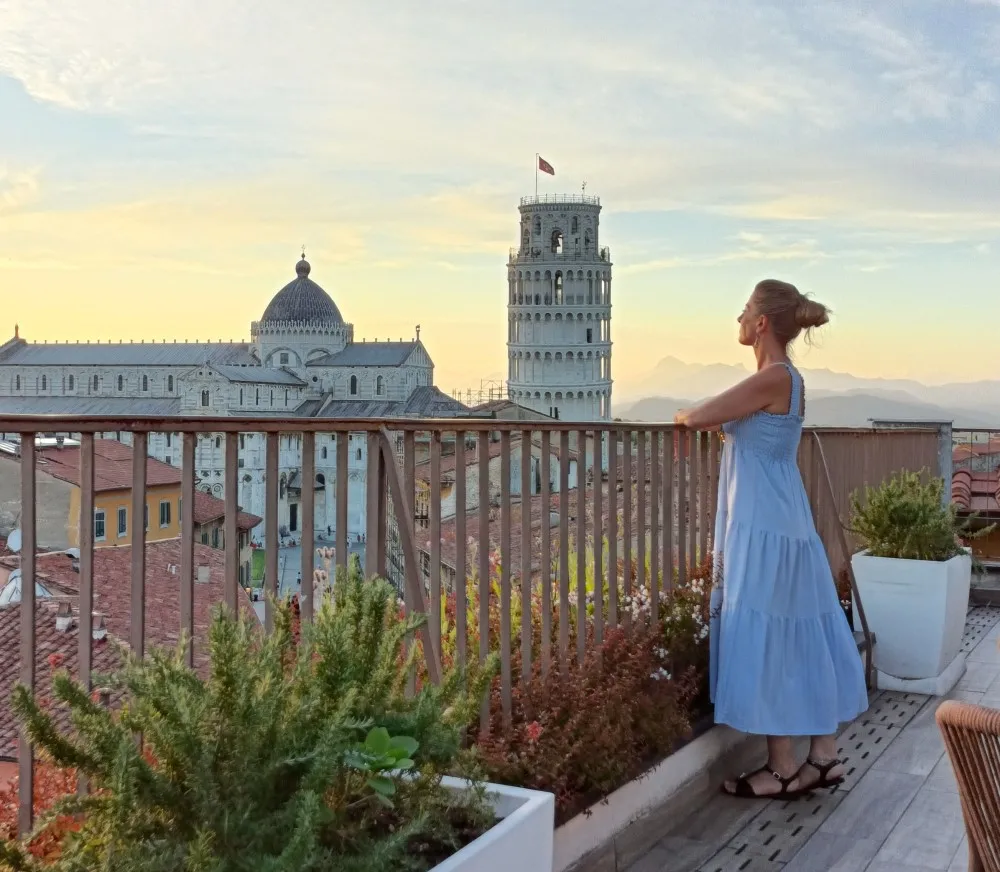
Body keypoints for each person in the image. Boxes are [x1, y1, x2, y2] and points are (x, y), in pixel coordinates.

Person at [673, 279, 868, 799]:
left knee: (774, 634)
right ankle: (819, 757)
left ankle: (784, 767)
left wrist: (682, 418)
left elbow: (697, 416)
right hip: (783, 519)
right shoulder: (785, 379)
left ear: (761, 323)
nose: (737, 317)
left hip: (767, 526)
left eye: (744, 310)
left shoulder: (773, 376)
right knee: (797, 630)